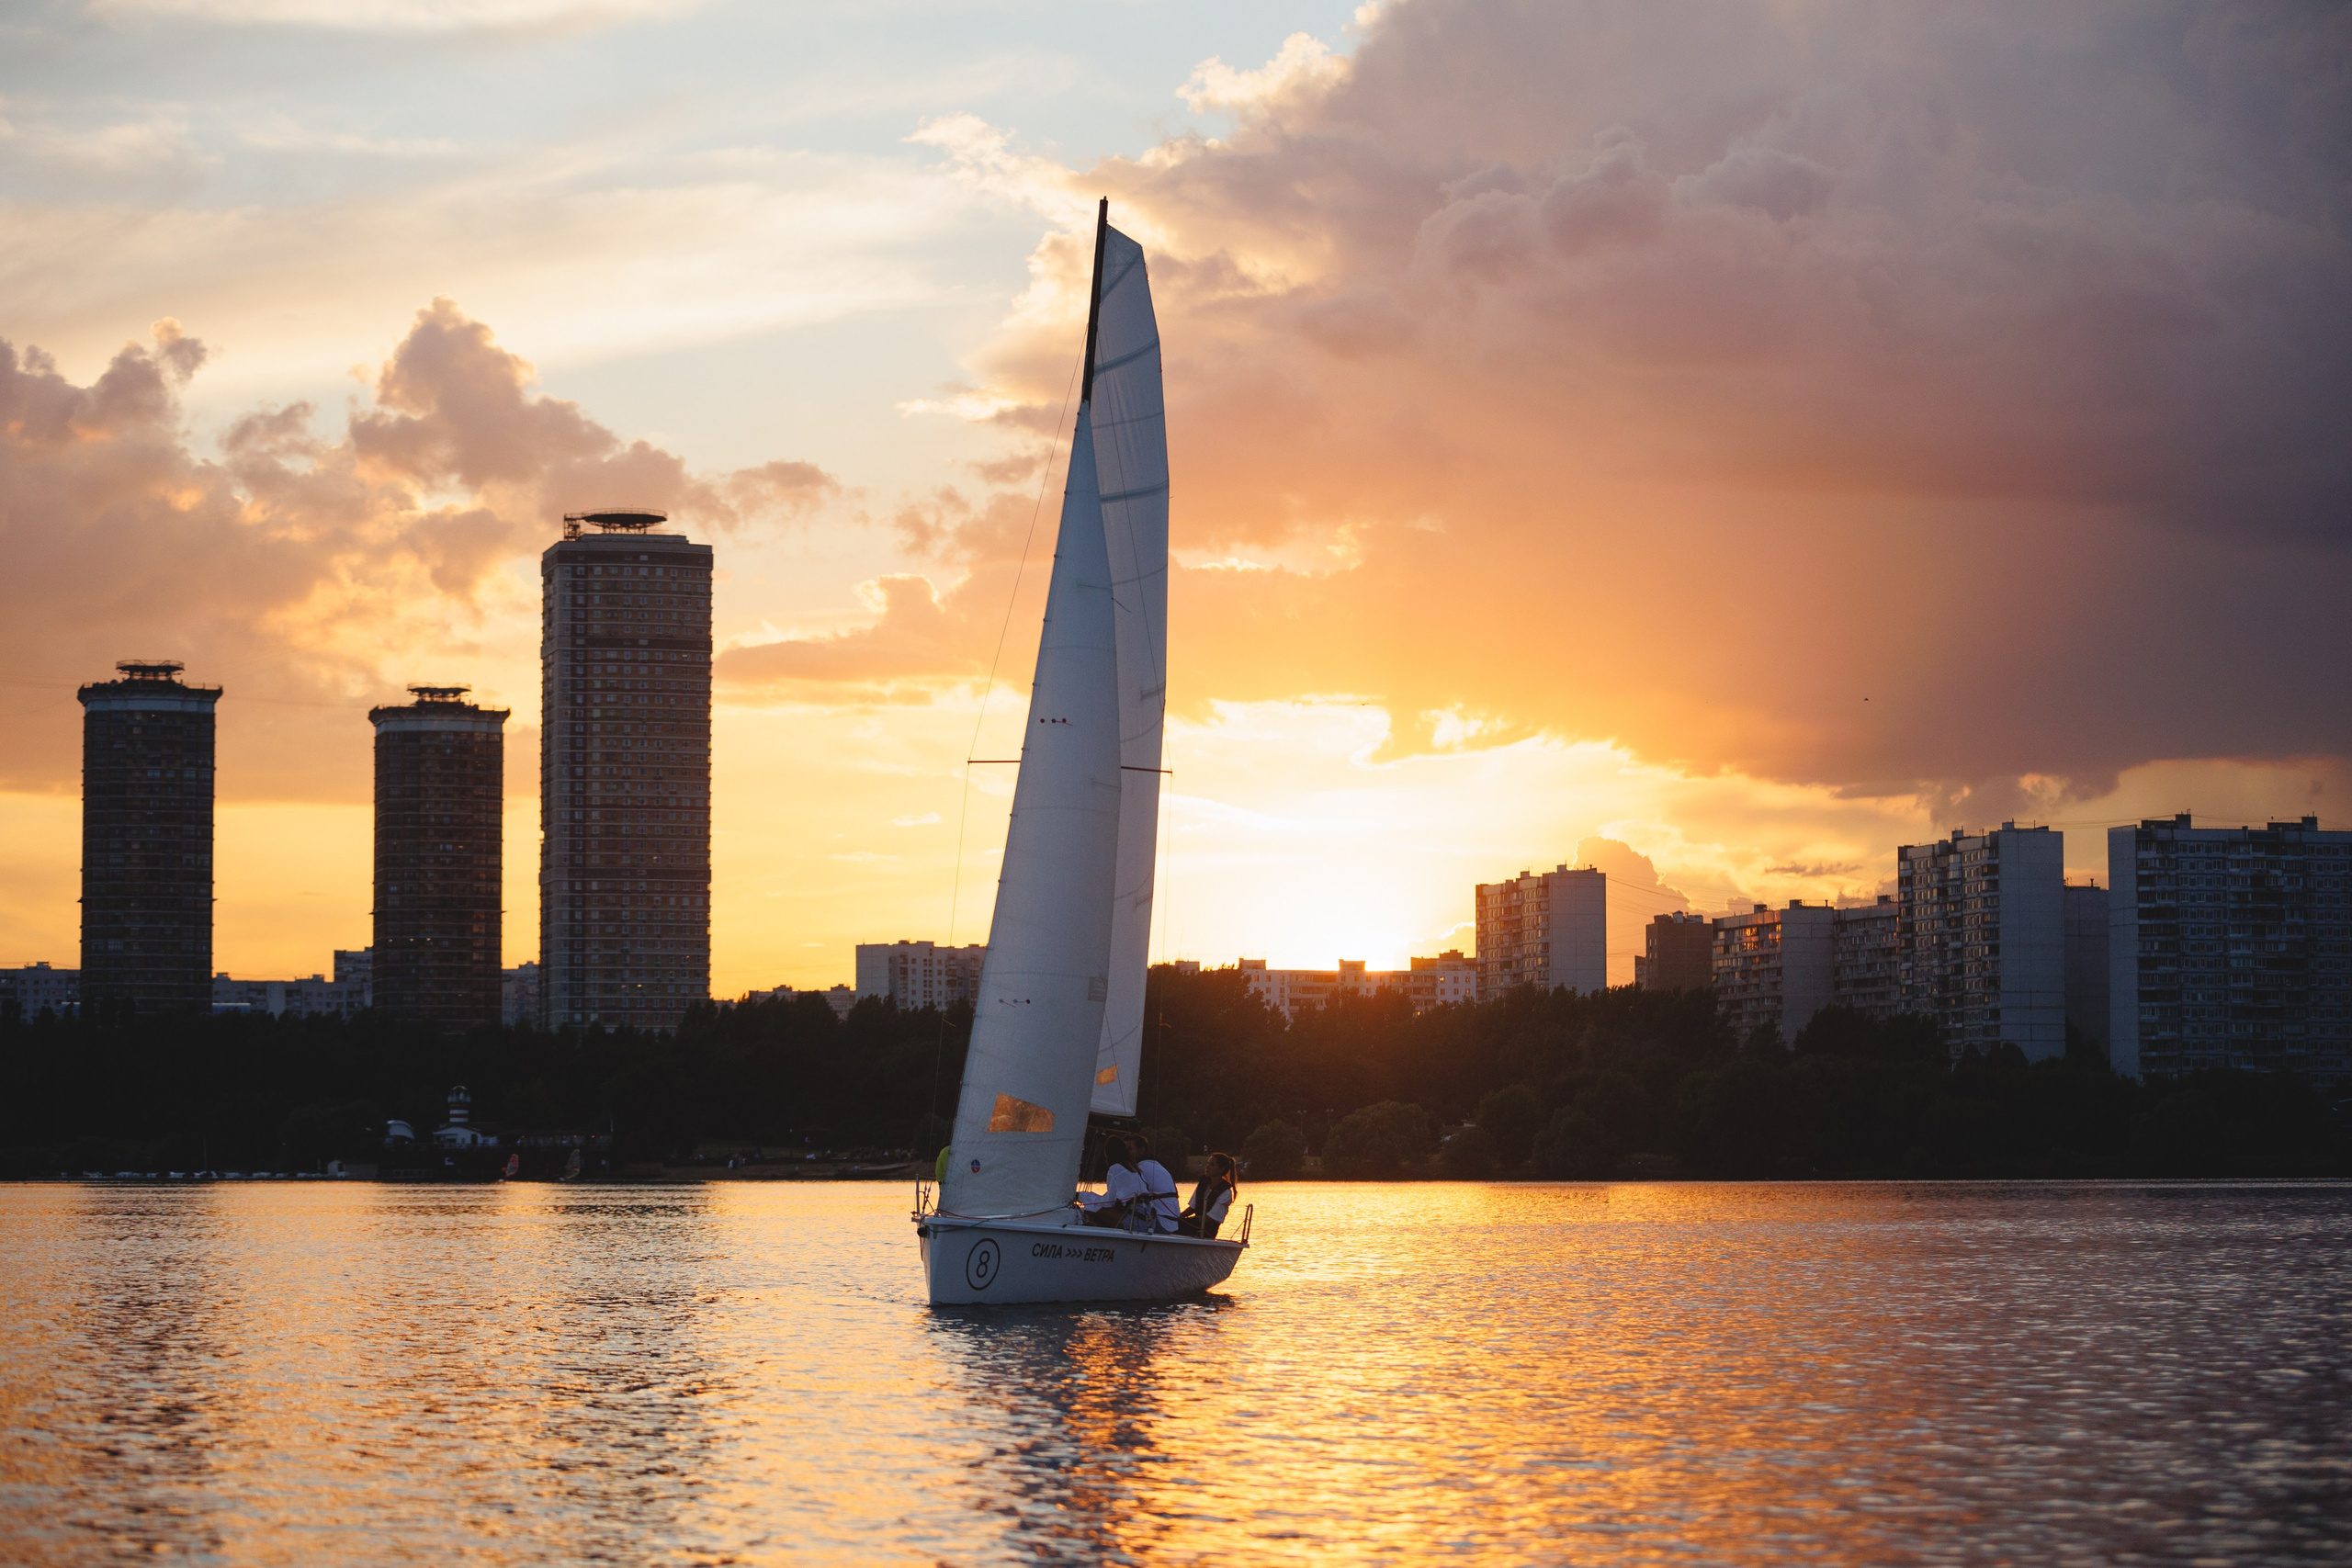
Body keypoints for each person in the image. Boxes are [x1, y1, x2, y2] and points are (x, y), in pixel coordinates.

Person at [1077, 1135, 1144, 1227]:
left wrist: (1083, 1196)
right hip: (1145, 1216)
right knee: (1095, 1207)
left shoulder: (1115, 1168)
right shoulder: (1131, 1167)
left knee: (1093, 1209)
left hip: (1136, 1219)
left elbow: (1108, 1203)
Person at [1129, 1138, 1182, 1235]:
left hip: (1159, 1225)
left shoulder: (1139, 1169)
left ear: (1141, 1150)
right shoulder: (1157, 1166)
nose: (1126, 1153)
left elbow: (1124, 1196)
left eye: (1130, 1149)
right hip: (1173, 1225)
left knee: (1106, 1211)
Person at [1180, 1153, 1238, 1239]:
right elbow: (1192, 1207)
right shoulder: (1203, 1183)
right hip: (1194, 1225)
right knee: (1171, 1223)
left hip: (1207, 1231)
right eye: (1208, 1163)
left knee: (1176, 1225)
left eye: (1212, 1165)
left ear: (1221, 1169)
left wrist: (1185, 1222)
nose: (1207, 1167)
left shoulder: (1226, 1192)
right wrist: (1179, 1216)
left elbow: (1209, 1218)